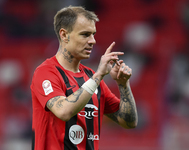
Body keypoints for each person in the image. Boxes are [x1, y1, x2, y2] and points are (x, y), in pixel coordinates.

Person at [31, 5, 138, 150]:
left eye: (93, 34)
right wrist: (99, 76)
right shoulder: (46, 72)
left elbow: (128, 122)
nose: (93, 40)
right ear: (64, 35)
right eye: (85, 34)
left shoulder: (90, 77)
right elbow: (63, 111)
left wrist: (123, 84)